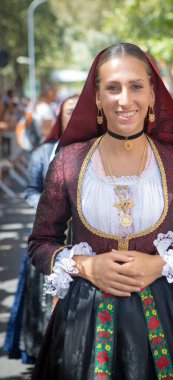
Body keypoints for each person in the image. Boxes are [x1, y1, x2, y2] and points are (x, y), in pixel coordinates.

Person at [28, 43, 173, 380]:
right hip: (83, 322)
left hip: (165, 321)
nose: (124, 99)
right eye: (112, 87)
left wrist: (159, 264)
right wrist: (87, 266)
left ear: (153, 94)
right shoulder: (68, 162)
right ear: (97, 97)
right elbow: (40, 243)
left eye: (136, 86)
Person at [4, 95, 79, 364]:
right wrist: (51, 207)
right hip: (52, 239)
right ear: (60, 116)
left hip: (87, 242)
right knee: (44, 298)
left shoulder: (102, 149)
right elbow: (31, 190)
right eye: (71, 111)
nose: (77, 115)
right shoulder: (43, 152)